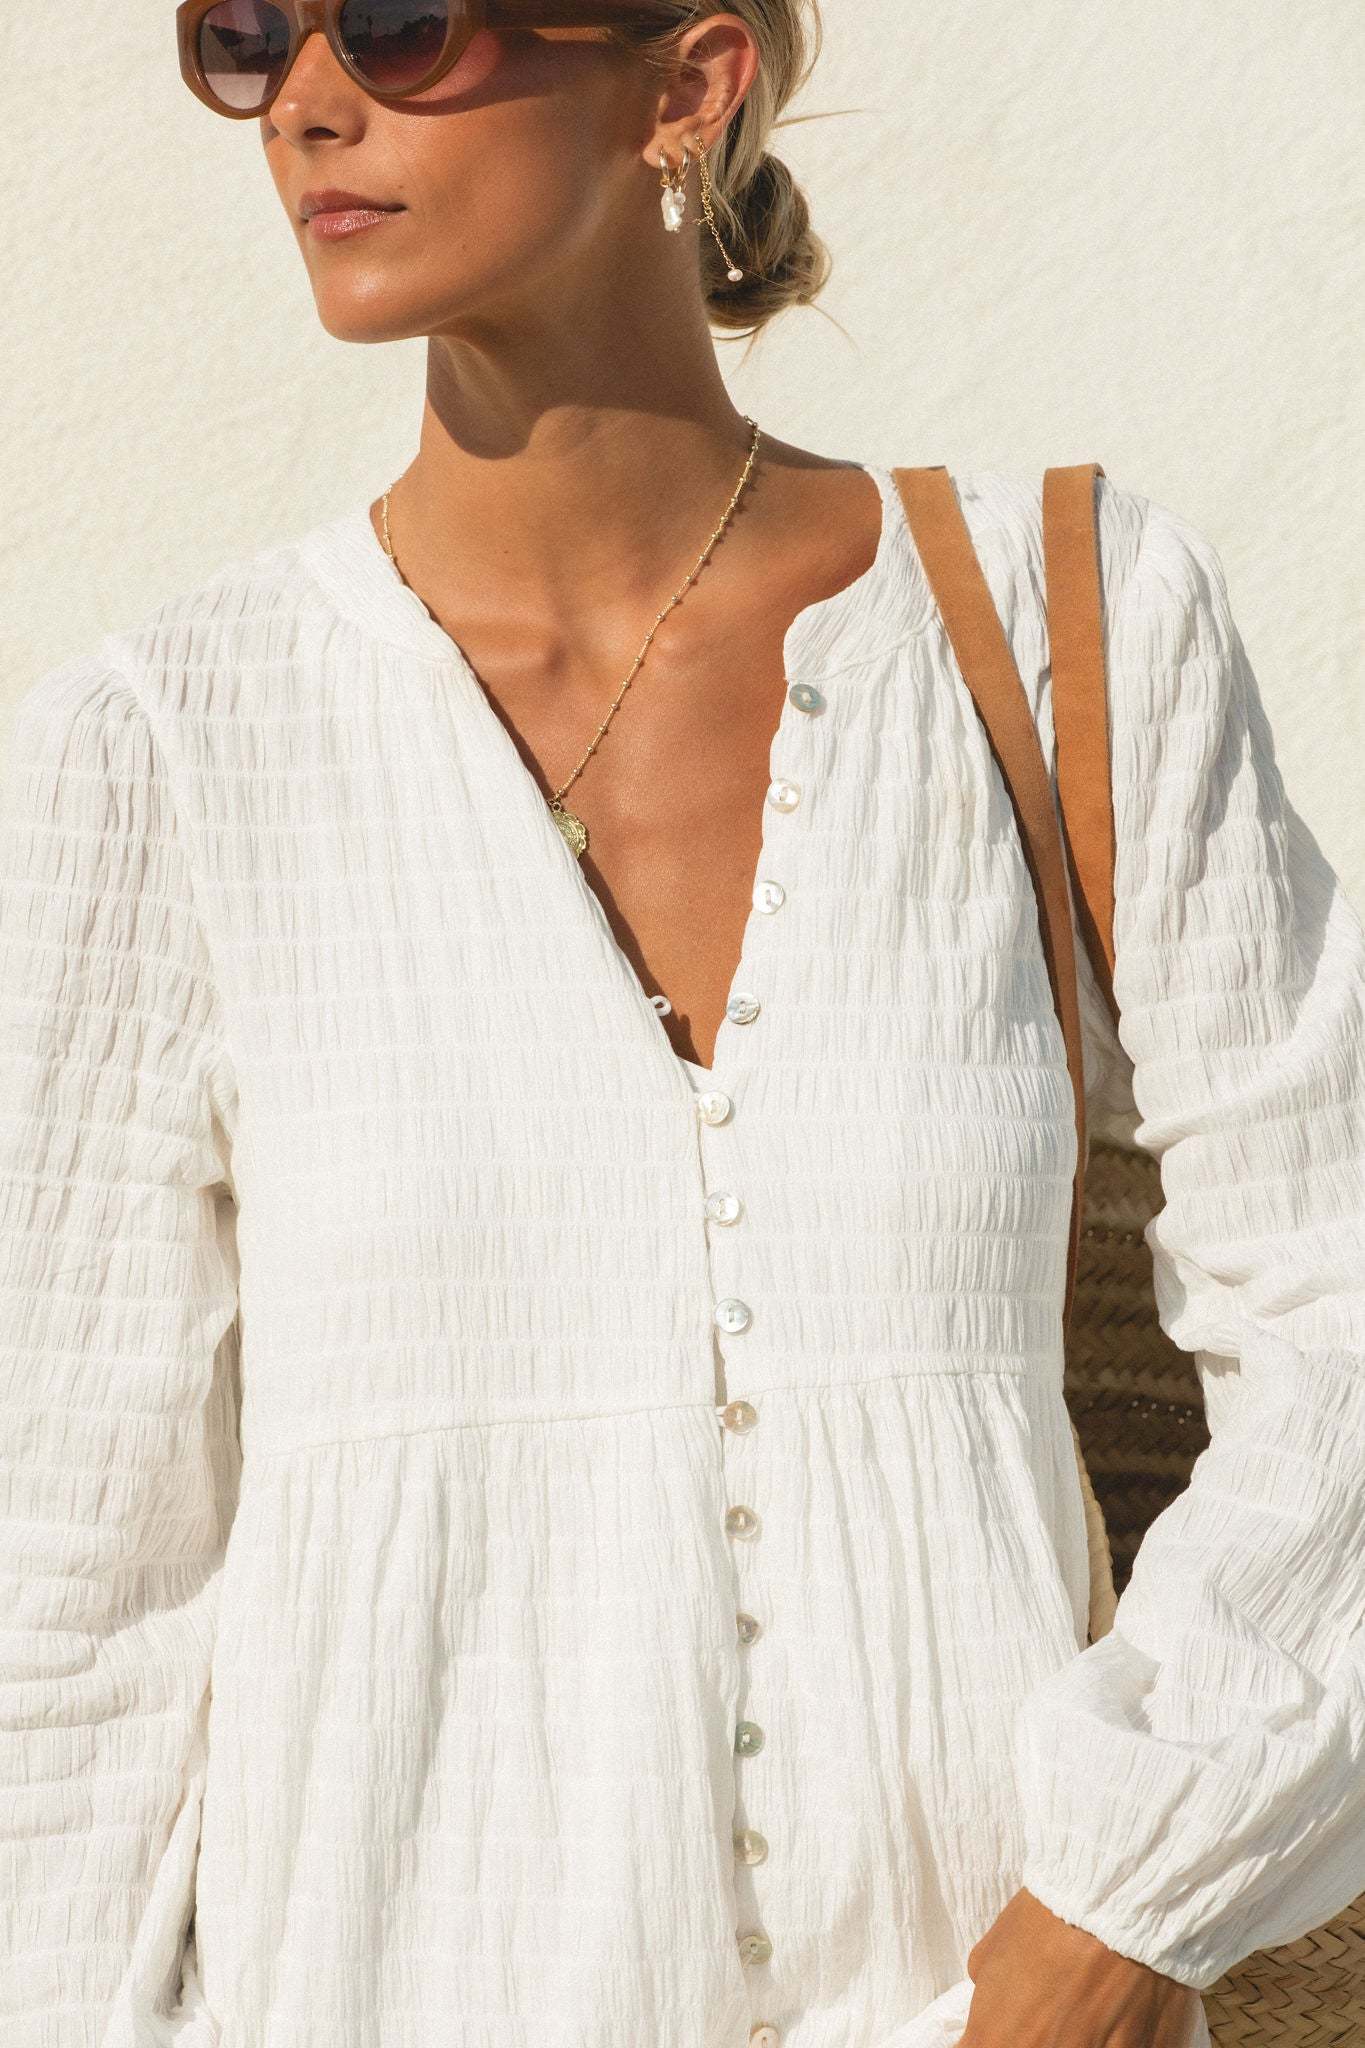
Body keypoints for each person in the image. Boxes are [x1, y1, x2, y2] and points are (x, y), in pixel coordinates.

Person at [2, 6, 1362, 2046]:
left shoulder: (1062, 625)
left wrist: (1114, 1916)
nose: (305, 102)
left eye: (398, 22)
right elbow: (65, 1602)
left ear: (685, 81)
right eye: (244, 37)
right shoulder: (166, 746)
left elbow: (1337, 1305)